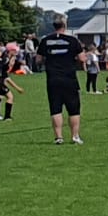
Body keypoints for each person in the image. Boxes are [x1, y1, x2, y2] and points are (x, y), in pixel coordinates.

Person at [39, 15, 84, 145]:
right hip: (69, 78)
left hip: (53, 78)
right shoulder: (73, 40)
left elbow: (38, 59)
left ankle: (58, 137)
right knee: (73, 109)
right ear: (65, 25)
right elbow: (82, 58)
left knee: (55, 108)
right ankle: (75, 136)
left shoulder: (45, 40)